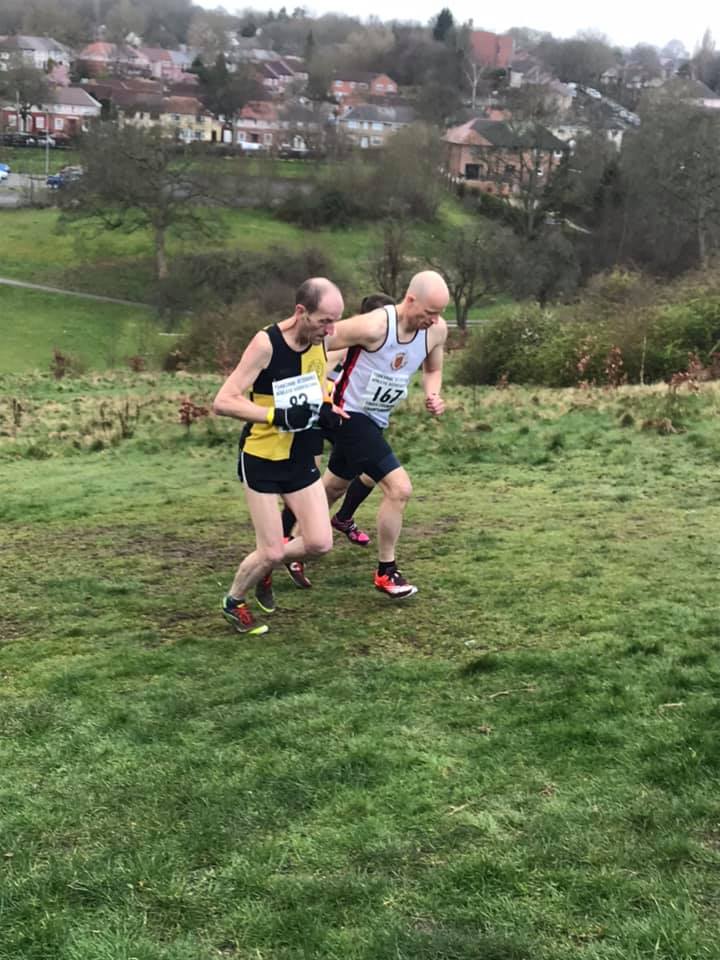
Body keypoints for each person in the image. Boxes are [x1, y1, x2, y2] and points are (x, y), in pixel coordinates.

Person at [212, 277, 346, 634]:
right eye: (325, 321)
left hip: (300, 456)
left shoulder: (319, 340)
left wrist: (327, 407)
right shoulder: (266, 344)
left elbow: (317, 383)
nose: (331, 330)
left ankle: (263, 566)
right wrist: (276, 415)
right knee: (270, 550)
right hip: (262, 457)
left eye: (335, 321)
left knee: (319, 543)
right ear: (301, 312)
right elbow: (223, 401)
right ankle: (234, 599)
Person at [324, 270, 449, 599]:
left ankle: (287, 538)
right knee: (399, 488)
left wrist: (433, 394)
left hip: (376, 419)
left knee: (334, 486)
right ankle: (386, 571)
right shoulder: (375, 325)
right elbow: (318, 341)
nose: (434, 320)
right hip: (348, 415)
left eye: (440, 313)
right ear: (410, 300)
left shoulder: (436, 331)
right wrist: (320, 392)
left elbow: (433, 369)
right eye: (429, 312)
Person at [277, 292, 395, 589]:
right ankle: (283, 541)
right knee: (306, 482)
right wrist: (323, 399)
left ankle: (317, 531)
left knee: (337, 485)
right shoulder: (341, 344)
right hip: (320, 419)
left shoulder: (379, 351)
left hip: (351, 421)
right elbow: (313, 371)